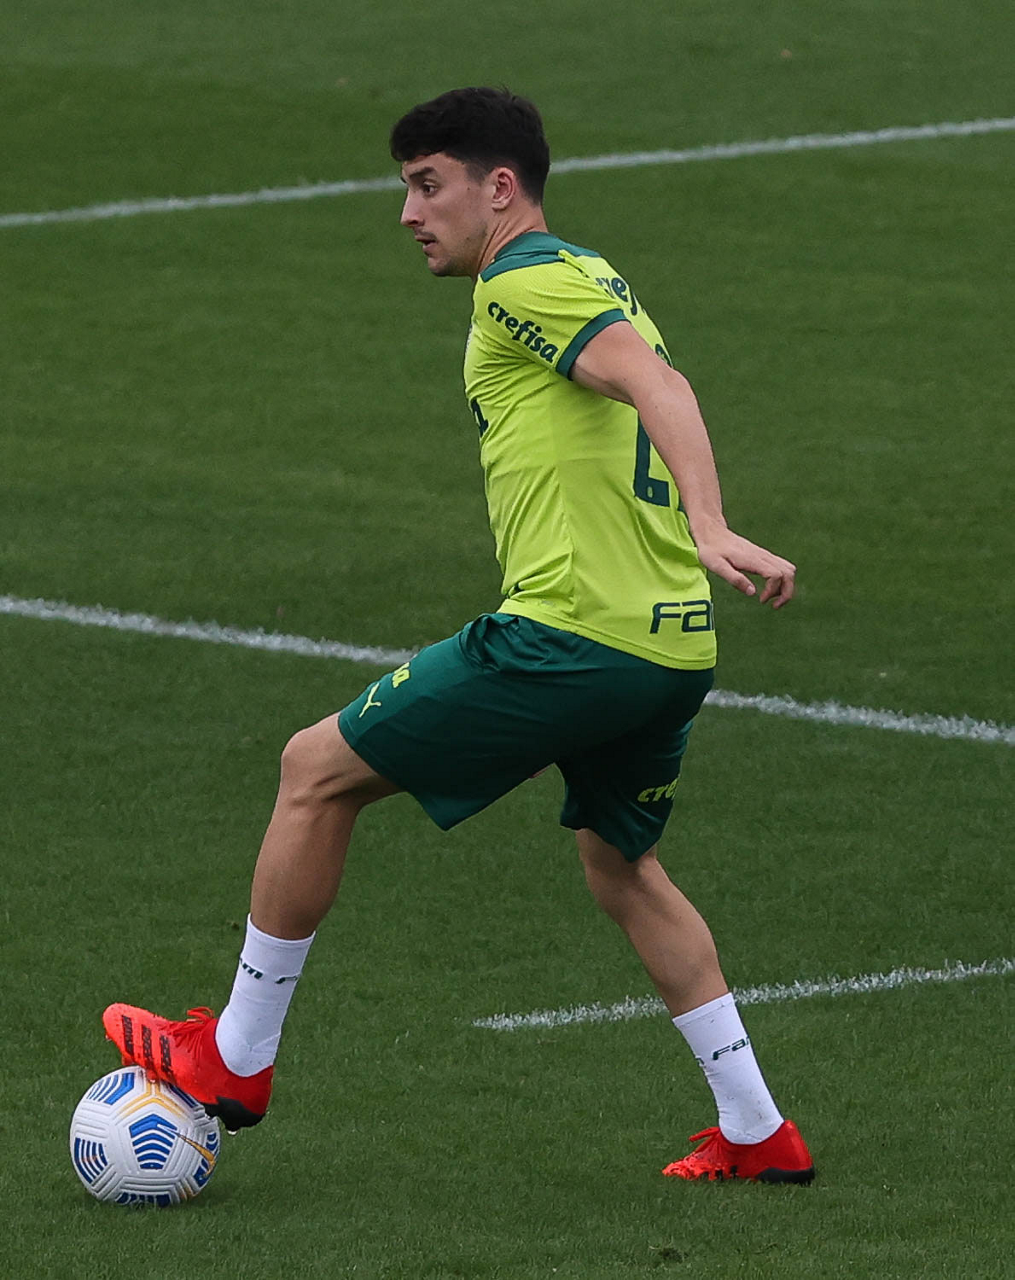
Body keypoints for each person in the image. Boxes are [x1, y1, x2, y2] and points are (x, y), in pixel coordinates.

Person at [104, 87, 814, 1184]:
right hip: (669, 645)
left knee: (312, 772)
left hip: (570, 638)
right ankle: (759, 1128)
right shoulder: (588, 272)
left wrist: (712, 521)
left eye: (427, 185)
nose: (408, 213)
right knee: (621, 866)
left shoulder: (521, 279)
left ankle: (234, 1059)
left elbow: (655, 382)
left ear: (500, 187)